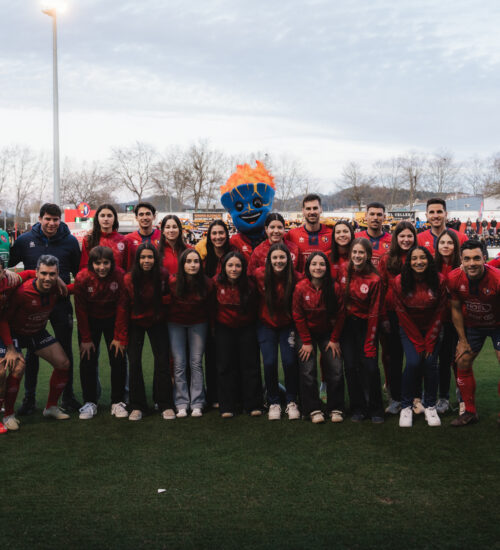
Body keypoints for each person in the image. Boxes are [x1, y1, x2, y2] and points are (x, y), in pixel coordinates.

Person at [9, 203, 81, 414]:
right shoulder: (25, 240)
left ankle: (67, 397)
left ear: (60, 220)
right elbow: (8, 264)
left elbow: (79, 273)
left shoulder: (70, 241)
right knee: (33, 351)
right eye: (47, 219)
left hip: (60, 303)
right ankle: (29, 400)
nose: (51, 223)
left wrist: (66, 288)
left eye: (55, 219)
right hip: (31, 304)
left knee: (65, 349)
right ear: (40, 219)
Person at [2, 255, 72, 429]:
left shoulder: (56, 287)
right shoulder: (22, 292)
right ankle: (8, 414)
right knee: (17, 367)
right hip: (15, 333)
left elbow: (72, 289)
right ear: (37, 273)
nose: (47, 278)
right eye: (44, 273)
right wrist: (10, 348)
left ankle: (51, 407)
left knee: (63, 363)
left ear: (58, 274)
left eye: (52, 274)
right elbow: (3, 319)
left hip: (36, 332)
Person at [114, 243, 174, 421]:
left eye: (150, 257)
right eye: (142, 257)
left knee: (162, 361)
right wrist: (120, 336)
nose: (146, 261)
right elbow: (123, 307)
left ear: (155, 259)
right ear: (137, 259)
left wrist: (162, 302)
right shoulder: (128, 278)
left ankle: (164, 403)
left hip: (158, 321)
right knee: (134, 362)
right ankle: (137, 406)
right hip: (135, 322)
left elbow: (170, 297)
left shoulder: (162, 275)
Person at [447, 240, 500, 427]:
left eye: (476, 258)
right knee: (462, 360)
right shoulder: (454, 278)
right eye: (467, 259)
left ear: (485, 259)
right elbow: (455, 309)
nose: (472, 263)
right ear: (461, 260)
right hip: (473, 325)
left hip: (498, 324)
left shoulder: (497, 279)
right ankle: (469, 412)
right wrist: (462, 340)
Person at [392, 247, 447, 427]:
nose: (419, 262)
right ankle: (406, 406)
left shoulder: (439, 280)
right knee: (413, 362)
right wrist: (418, 343)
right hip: (409, 329)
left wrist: (429, 342)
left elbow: (440, 312)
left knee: (430, 363)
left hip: (433, 329)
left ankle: (430, 406)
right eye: (414, 258)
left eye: (423, 258)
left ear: (429, 260)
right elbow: (402, 314)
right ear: (409, 262)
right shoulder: (399, 281)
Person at [73, 246, 128, 420]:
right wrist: (86, 338)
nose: (102, 267)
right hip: (90, 321)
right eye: (98, 263)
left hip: (113, 319)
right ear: (91, 263)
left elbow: (122, 306)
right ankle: (90, 402)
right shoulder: (82, 278)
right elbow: (80, 309)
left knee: (118, 358)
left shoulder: (120, 276)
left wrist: (119, 336)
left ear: (112, 263)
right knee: (87, 359)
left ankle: (117, 401)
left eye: (106, 263)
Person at [292, 252, 344, 424]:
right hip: (306, 333)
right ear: (308, 267)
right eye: (314, 264)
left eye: (321, 264)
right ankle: (312, 409)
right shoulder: (300, 287)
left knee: (335, 368)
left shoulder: (335, 287)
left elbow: (341, 314)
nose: (318, 267)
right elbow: (298, 315)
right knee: (307, 370)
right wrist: (306, 342)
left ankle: (335, 407)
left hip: (328, 333)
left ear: (327, 267)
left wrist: (334, 339)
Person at [338, 238, 384, 423]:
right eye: (354, 252)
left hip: (367, 325)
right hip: (346, 326)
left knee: (370, 366)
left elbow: (374, 313)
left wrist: (370, 341)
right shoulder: (343, 270)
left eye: (361, 252)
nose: (357, 256)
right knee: (350, 366)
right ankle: (357, 407)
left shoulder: (375, 279)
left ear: (368, 255)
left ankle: (376, 408)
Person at [254, 243, 301, 420]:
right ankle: (273, 401)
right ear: (269, 260)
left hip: (288, 325)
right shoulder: (259, 275)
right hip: (266, 324)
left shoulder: (296, 277)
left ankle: (291, 400)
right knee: (269, 362)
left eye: (282, 257)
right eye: (275, 257)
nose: (278, 261)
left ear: (288, 259)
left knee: (289, 361)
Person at [214, 251, 263, 418]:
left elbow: (256, 306)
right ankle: (227, 405)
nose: (234, 269)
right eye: (230, 265)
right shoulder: (216, 283)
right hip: (224, 328)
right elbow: (211, 306)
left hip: (246, 328)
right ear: (224, 267)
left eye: (237, 266)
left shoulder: (250, 285)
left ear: (243, 268)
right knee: (225, 366)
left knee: (250, 365)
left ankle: (253, 404)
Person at [167, 249, 214, 418]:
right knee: (179, 363)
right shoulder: (172, 282)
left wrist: (212, 327)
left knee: (196, 362)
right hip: (176, 324)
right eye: (188, 261)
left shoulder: (207, 283)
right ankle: (181, 402)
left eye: (196, 261)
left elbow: (210, 307)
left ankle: (197, 402)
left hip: (198, 324)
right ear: (182, 264)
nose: (192, 265)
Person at [378, 221, 417, 415]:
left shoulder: (419, 257)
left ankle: (414, 396)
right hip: (392, 314)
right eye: (402, 236)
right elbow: (381, 289)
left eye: (409, 236)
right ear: (396, 238)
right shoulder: (387, 259)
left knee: (414, 358)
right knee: (394, 358)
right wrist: (384, 317)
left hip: (414, 314)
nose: (406, 239)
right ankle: (395, 399)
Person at [196, 219, 232, 408]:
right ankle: (213, 396)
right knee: (210, 356)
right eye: (214, 233)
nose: (218, 237)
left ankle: (231, 393)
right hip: (208, 313)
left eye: (221, 233)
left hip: (229, 314)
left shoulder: (232, 255)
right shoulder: (203, 257)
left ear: (227, 235)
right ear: (209, 237)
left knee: (228, 356)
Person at [434, 230, 462, 414]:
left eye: (449, 242)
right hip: (440, 321)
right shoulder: (432, 266)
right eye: (442, 242)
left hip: (460, 321)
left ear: (455, 246)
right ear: (437, 246)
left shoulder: (462, 265)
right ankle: (443, 398)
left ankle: (463, 398)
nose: (445, 245)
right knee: (443, 360)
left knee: (460, 360)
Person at [285, 194, 332, 272]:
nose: (312, 212)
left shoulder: (331, 233)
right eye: (308, 209)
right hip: (300, 279)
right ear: (303, 211)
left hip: (324, 279)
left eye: (315, 208)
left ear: (321, 209)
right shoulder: (292, 234)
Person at [79, 204, 127, 270]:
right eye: (102, 216)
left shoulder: (124, 240)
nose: (106, 219)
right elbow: (84, 266)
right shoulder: (88, 239)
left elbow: (128, 267)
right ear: (97, 218)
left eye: (109, 216)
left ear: (115, 218)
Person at [124, 202, 161, 271]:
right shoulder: (128, 239)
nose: (145, 217)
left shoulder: (162, 237)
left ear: (154, 217)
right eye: (141, 214)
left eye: (148, 214)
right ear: (136, 218)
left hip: (158, 276)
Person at [355, 202, 392, 268]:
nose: (375, 218)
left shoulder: (392, 241)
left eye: (379, 215)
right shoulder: (355, 238)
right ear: (366, 216)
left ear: (384, 217)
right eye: (372, 214)